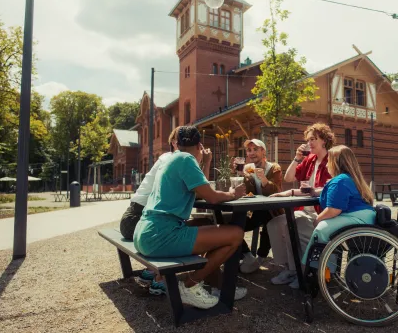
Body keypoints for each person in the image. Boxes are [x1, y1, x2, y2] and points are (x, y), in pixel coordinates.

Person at [134, 126, 248, 309]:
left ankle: (215, 285)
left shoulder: (174, 158)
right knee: (235, 234)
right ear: (200, 145)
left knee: (205, 222)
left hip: (145, 232)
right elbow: (211, 196)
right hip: (160, 236)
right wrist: (233, 194)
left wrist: (204, 162)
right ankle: (189, 286)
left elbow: (200, 189)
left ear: (176, 144)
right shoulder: (186, 159)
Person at [119, 127, 212, 295]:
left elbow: (198, 186)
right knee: (175, 234)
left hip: (138, 219)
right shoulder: (172, 158)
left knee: (200, 225)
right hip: (138, 219)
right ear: (174, 143)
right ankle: (161, 276)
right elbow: (200, 190)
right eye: (178, 141)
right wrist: (205, 162)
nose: (182, 144)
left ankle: (153, 272)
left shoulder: (176, 159)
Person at [267, 123, 335, 289]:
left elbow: (333, 186)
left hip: (323, 211)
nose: (309, 143)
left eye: (313, 139)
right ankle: (291, 269)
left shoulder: (333, 159)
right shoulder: (309, 159)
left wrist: (293, 193)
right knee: (275, 223)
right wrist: (297, 158)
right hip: (303, 209)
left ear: (324, 141)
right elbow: (289, 178)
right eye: (308, 140)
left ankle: (306, 271)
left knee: (297, 224)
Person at [301, 145, 376, 264]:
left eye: (328, 161)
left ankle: (314, 268)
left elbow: (333, 210)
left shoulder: (339, 180)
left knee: (320, 229)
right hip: (365, 217)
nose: (326, 165)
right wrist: (314, 192)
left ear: (335, 163)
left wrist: (318, 219)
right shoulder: (350, 178)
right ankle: (326, 268)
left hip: (355, 218)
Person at [238, 139, 283, 274]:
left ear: (263, 151)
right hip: (254, 210)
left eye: (255, 149)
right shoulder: (248, 168)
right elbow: (249, 192)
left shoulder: (274, 168)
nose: (252, 153)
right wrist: (243, 176)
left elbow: (276, 192)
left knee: (269, 219)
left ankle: (261, 256)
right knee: (233, 224)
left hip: (272, 210)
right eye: (249, 150)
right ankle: (247, 255)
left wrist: (264, 179)